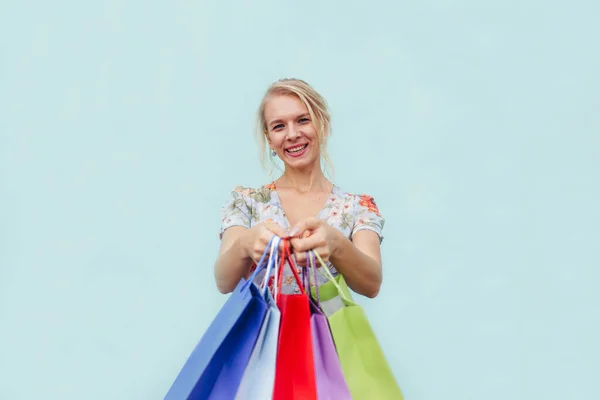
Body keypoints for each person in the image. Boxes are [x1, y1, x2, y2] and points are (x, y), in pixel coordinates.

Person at [213, 78, 384, 298]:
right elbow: (223, 281)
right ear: (269, 138)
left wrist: (337, 244)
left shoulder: (357, 208)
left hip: (326, 333)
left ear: (322, 124)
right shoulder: (246, 203)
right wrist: (245, 244)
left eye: (303, 120)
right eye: (279, 126)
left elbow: (372, 285)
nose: (292, 134)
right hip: (266, 333)